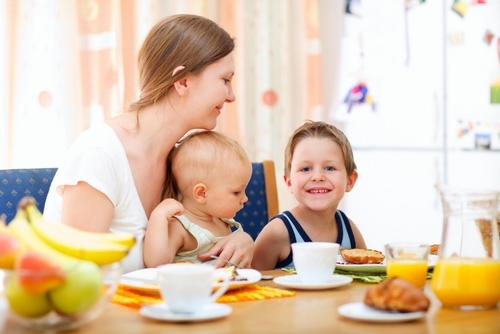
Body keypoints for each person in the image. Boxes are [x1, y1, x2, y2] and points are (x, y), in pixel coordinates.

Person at [43, 14, 254, 273]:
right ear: (183, 81)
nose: (231, 96)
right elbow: (78, 281)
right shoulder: (99, 154)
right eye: (225, 80)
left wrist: (240, 240)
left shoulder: (184, 161)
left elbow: (201, 231)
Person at [252, 120, 367, 270]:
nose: (317, 176)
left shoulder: (350, 231)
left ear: (350, 181)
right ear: (289, 183)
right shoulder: (277, 232)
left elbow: (367, 277)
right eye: (306, 169)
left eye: (330, 168)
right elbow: (251, 284)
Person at [143, 130, 252, 267]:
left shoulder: (222, 221)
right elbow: (156, 264)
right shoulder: (181, 226)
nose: (245, 198)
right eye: (237, 192)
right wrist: (158, 217)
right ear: (202, 194)